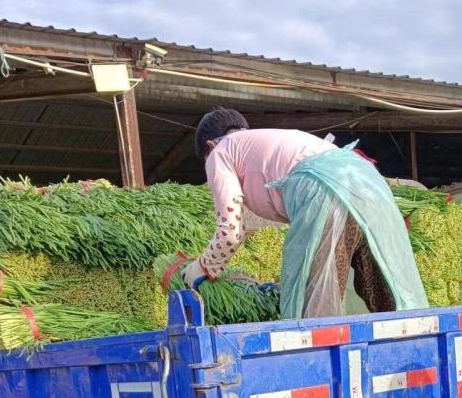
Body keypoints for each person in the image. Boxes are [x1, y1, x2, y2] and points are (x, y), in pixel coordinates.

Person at [183, 108, 428, 319]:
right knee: (389, 294)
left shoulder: (221, 151)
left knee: (310, 308)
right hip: (370, 183)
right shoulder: (271, 140)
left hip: (325, 188)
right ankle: (416, 353)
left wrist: (202, 268)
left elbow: (231, 231)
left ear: (209, 145)